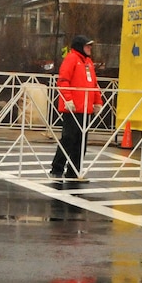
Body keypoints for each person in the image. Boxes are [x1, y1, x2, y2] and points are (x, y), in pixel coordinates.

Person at [49, 35, 103, 180]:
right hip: (72, 108)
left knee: (81, 142)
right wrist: (68, 99)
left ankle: (74, 171)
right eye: (87, 45)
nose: (90, 48)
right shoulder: (72, 59)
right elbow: (63, 80)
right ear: (80, 46)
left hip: (85, 109)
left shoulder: (89, 63)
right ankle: (57, 168)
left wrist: (98, 101)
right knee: (68, 138)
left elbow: (93, 85)